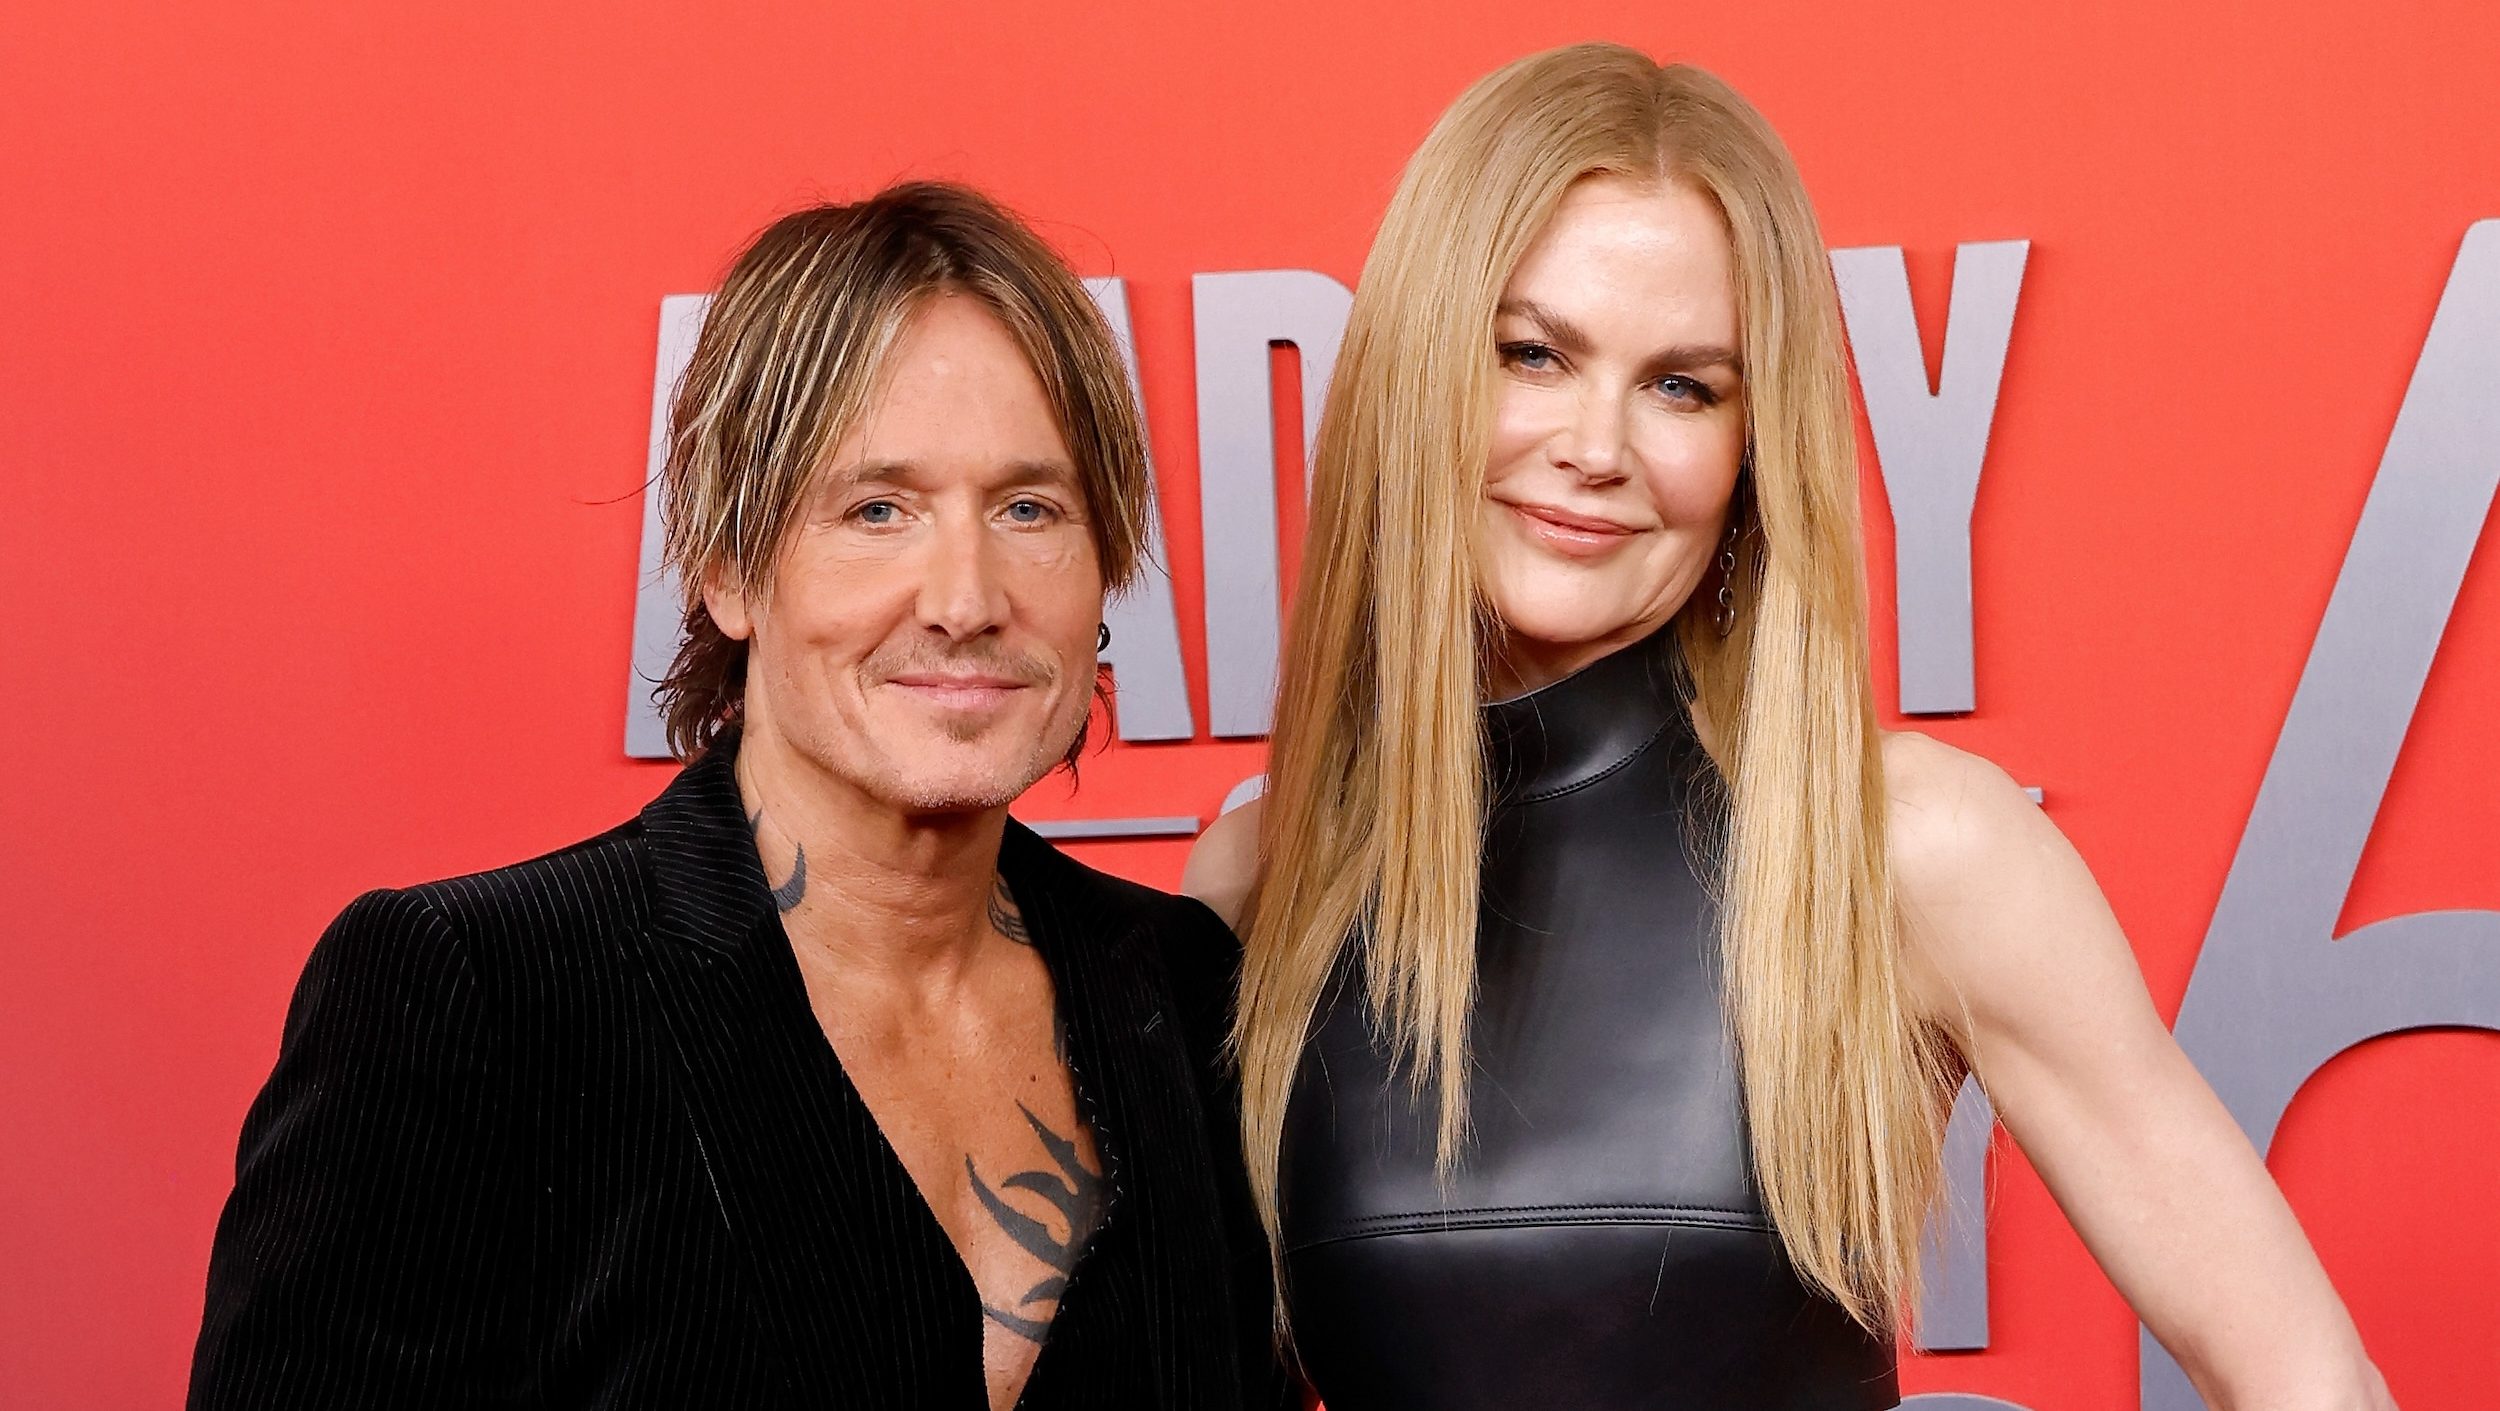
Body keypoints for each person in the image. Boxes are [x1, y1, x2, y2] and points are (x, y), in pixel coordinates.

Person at [1184, 45, 2394, 1411]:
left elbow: (2313, 1379)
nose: (1597, 445)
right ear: (1415, 377)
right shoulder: (1260, 888)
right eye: (1533, 353)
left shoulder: (1905, 847)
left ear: (1753, 453)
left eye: (1683, 386)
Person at [193, 181, 1277, 1411]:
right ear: (727, 568)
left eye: (1029, 508)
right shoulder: (471, 996)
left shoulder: (1187, 994)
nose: (966, 599)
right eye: (877, 509)